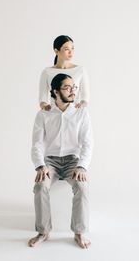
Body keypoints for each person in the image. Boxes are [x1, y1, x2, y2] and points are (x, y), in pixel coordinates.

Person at [28, 73, 93, 249]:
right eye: (67, 88)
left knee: (82, 186)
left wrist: (82, 167)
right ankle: (43, 231)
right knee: (41, 185)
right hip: (51, 162)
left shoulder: (81, 113)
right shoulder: (44, 114)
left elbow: (88, 144)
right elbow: (37, 144)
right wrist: (40, 165)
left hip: (73, 161)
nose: (73, 91)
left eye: (74, 87)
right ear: (56, 92)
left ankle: (79, 233)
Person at [39, 35, 90, 111]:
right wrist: (45, 107)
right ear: (56, 51)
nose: (71, 52)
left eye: (72, 48)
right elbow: (42, 99)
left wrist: (81, 106)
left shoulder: (80, 70)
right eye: (66, 49)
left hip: (74, 115)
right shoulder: (47, 72)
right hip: (54, 115)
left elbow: (85, 98)